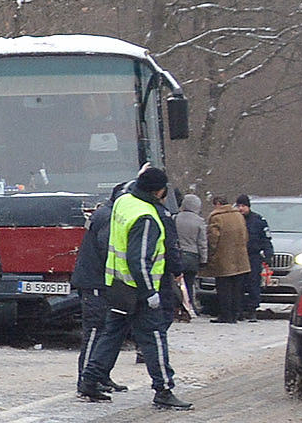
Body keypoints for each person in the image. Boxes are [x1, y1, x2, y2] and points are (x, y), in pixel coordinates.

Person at [81, 164, 192, 409]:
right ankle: (163, 389)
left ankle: (89, 380)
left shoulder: (124, 202)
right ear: (159, 192)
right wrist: (150, 292)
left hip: (117, 284)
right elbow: (138, 258)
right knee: (154, 338)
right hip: (138, 290)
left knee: (113, 333)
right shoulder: (147, 217)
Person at [71, 184, 129, 396]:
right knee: (95, 331)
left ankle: (100, 376)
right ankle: (87, 379)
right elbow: (109, 249)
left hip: (99, 282)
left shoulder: (106, 213)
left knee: (105, 332)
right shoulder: (108, 218)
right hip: (95, 283)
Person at [204, 195, 252, 321]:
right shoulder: (239, 216)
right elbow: (246, 235)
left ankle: (226, 315)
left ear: (218, 204)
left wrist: (211, 254)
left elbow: (213, 238)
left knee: (224, 288)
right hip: (240, 258)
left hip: (223, 257)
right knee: (237, 288)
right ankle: (236, 313)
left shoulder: (216, 217)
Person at [169, 190, 210, 323]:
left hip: (178, 255)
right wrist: (204, 259)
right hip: (193, 256)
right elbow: (202, 242)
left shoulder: (175, 218)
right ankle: (190, 306)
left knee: (175, 284)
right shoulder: (199, 221)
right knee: (190, 283)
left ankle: (177, 309)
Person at [239, 195, 275, 318]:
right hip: (239, 256)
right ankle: (239, 309)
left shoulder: (258, 220)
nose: (241, 209)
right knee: (239, 284)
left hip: (253, 256)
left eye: (243, 206)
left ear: (248, 206)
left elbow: (266, 239)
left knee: (253, 283)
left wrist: (268, 254)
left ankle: (252, 309)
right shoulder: (236, 220)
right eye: (239, 206)